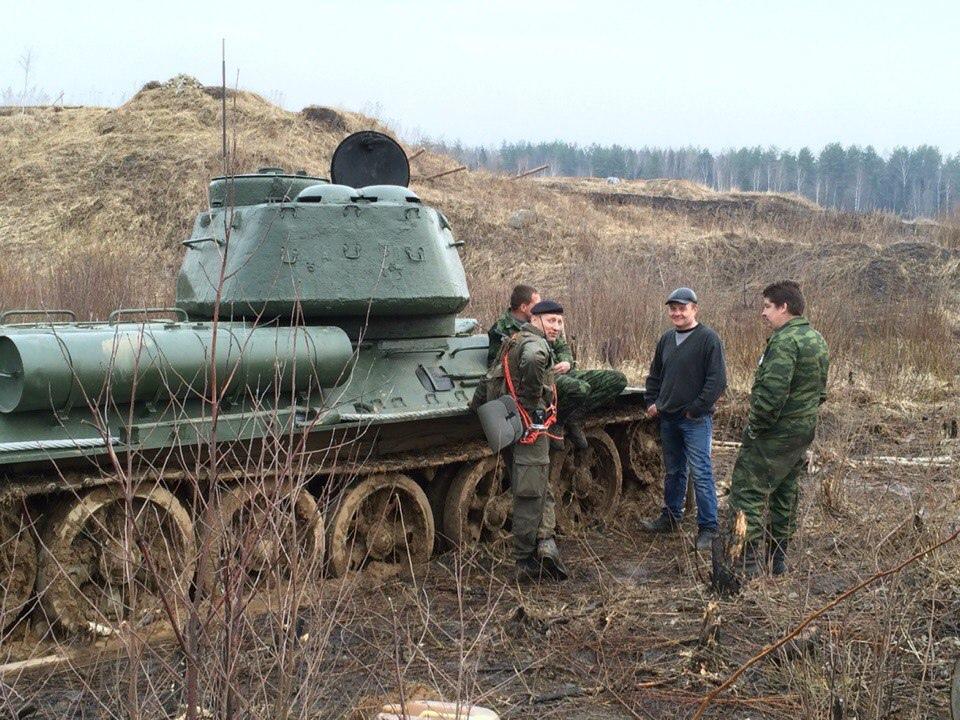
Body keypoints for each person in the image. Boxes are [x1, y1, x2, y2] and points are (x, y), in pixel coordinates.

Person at [726, 280, 828, 579]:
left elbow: (771, 394)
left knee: (748, 494)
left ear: (784, 307)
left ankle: (744, 565)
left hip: (773, 435)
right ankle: (778, 562)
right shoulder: (816, 339)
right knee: (785, 493)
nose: (763, 313)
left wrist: (756, 428)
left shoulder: (785, 341)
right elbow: (820, 392)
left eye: (768, 306)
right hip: (800, 433)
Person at [476, 299, 569, 581]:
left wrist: (478, 408)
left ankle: (544, 542)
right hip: (530, 430)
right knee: (530, 493)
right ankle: (525, 561)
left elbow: (490, 378)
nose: (556, 327)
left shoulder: (513, 338)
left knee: (537, 485)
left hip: (511, 427)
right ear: (537, 319)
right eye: (551, 321)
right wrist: (529, 404)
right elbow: (533, 360)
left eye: (560, 322)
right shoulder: (535, 345)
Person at [488, 285, 627, 450]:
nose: (556, 325)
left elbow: (562, 347)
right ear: (525, 308)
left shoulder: (546, 322)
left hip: (557, 375)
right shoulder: (503, 330)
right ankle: (557, 421)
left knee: (617, 380)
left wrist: (566, 362)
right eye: (536, 303)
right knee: (580, 388)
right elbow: (503, 363)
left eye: (558, 321)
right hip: (534, 382)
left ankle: (571, 416)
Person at [642, 287, 727, 550]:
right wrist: (651, 401)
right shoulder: (666, 340)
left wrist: (696, 408)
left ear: (694, 309)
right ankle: (670, 517)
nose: (677, 313)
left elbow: (717, 381)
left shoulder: (708, 339)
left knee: (701, 472)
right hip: (668, 418)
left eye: (682, 308)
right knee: (674, 471)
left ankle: (708, 527)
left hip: (695, 420)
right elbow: (655, 375)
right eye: (673, 308)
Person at [486, 284, 541, 366]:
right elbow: (496, 364)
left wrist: (565, 362)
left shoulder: (540, 321)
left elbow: (560, 346)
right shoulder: (500, 329)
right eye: (537, 305)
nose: (540, 308)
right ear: (523, 307)